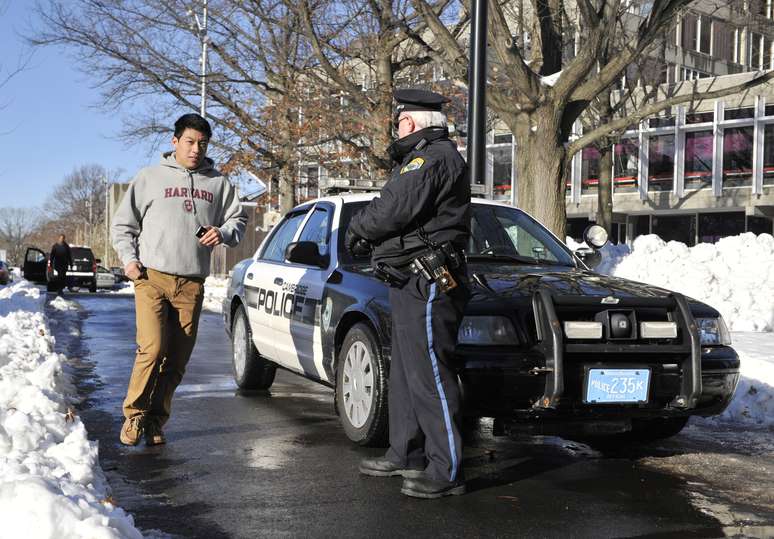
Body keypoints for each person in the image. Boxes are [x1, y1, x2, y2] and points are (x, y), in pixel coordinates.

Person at [346, 89, 471, 499]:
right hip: (409, 278)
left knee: (430, 374)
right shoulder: (424, 157)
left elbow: (393, 208)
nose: (394, 128)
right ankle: (406, 452)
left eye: (399, 121)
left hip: (429, 279)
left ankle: (446, 469)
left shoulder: (431, 157)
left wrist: (358, 228)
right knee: (405, 371)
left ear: (413, 123)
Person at [111, 113, 247, 446]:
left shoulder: (218, 184)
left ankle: (156, 421)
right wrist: (129, 261)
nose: (196, 149)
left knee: (177, 359)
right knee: (153, 349)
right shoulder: (150, 177)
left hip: (191, 284)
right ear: (175, 142)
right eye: (189, 141)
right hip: (151, 278)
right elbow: (122, 225)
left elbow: (238, 221)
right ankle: (134, 416)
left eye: (202, 143)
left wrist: (223, 232)